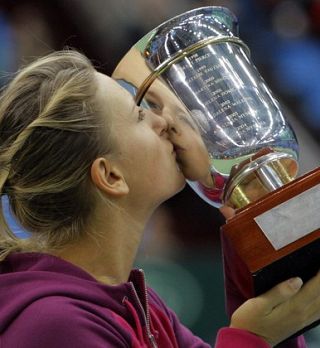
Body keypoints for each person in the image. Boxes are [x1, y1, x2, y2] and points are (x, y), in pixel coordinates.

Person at [0, 50, 319, 348]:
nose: (163, 122)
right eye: (139, 115)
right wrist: (253, 339)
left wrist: (255, 227)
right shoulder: (57, 326)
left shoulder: (134, 304)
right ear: (111, 176)